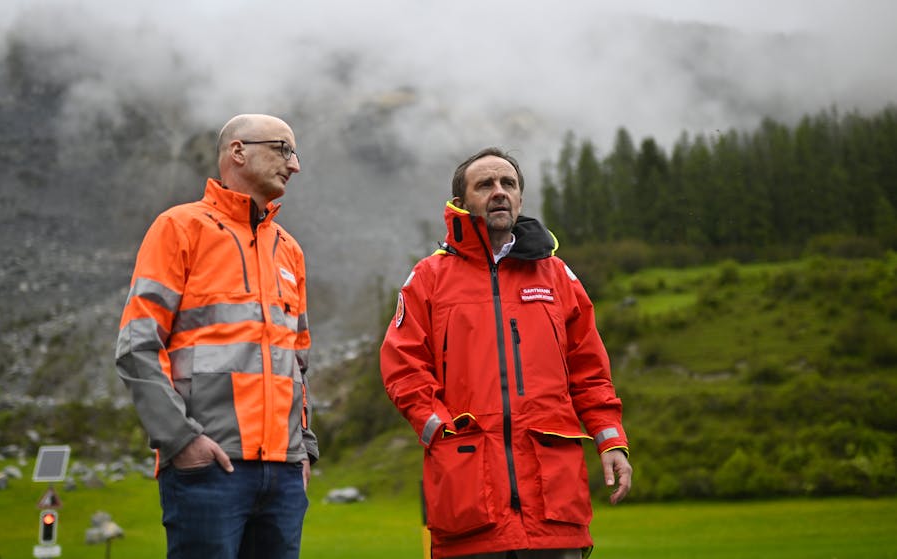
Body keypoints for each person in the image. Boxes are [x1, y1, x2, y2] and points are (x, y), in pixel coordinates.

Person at [380, 147, 631, 559]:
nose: (499, 192)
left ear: (520, 199)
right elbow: (402, 368)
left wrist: (612, 442)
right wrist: (439, 431)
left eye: (508, 184)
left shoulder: (558, 276)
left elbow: (590, 374)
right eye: (486, 185)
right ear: (460, 204)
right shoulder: (429, 278)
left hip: (555, 510)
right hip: (469, 503)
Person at [115, 114, 318, 559]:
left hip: (283, 475)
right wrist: (181, 441)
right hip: (209, 468)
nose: (294, 165)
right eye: (283, 149)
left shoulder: (290, 250)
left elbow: (297, 361)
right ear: (238, 151)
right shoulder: (179, 228)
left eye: (295, 153)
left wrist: (303, 451)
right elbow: (137, 345)